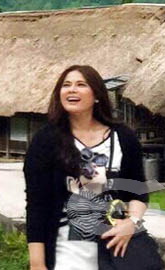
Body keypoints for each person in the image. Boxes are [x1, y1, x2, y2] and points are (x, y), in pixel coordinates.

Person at [24, 65, 150, 270]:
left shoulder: (123, 137)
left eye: (81, 85)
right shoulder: (46, 140)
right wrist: (37, 264)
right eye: (66, 85)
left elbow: (139, 193)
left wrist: (131, 223)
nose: (72, 90)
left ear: (97, 95)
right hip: (68, 253)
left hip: (116, 251)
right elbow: (37, 205)